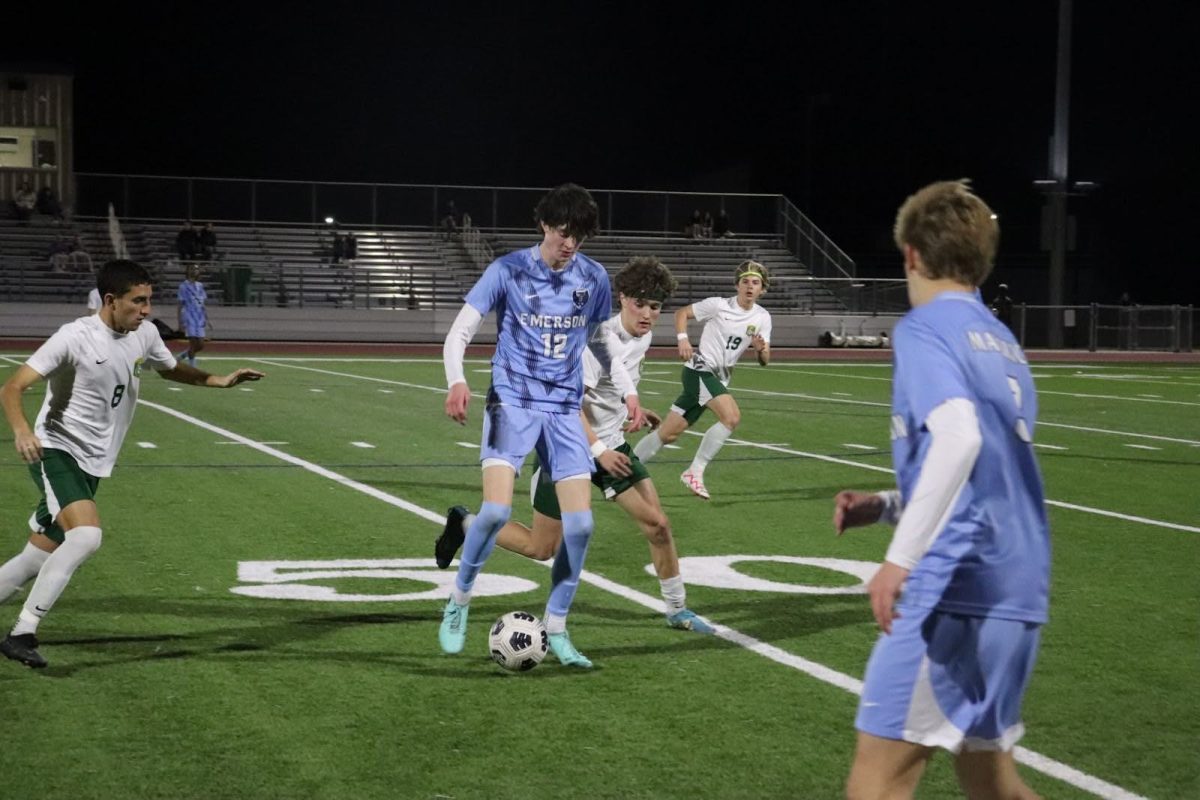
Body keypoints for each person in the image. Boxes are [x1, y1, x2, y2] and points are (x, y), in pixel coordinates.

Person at [833, 180, 1049, 800]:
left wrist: (897, 561)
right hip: (1018, 588)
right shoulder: (1001, 339)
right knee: (990, 779)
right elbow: (989, 476)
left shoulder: (925, 329)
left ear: (910, 255)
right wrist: (889, 507)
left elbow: (957, 438)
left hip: (957, 588)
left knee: (876, 780)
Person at [0, 259, 264, 669]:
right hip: (57, 450)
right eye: (137, 302)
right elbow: (12, 386)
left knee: (39, 554)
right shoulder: (74, 336)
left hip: (94, 461)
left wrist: (219, 380)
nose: (146, 310)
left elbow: (171, 368)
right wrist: (22, 431)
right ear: (110, 300)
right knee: (86, 537)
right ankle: (23, 632)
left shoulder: (143, 334)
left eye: (148, 301)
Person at [435, 257, 714, 635]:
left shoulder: (642, 336)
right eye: (640, 304)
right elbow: (568, 406)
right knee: (541, 548)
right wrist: (600, 449)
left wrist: (632, 409)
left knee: (658, 525)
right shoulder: (595, 343)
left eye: (656, 307)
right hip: (569, 447)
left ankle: (678, 610)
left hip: (612, 447)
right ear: (622, 298)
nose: (648, 313)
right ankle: (466, 524)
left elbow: (611, 389)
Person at [440, 182, 645, 669]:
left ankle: (558, 627)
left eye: (578, 235)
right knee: (493, 511)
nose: (569, 243)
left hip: (562, 411)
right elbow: (461, 330)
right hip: (512, 402)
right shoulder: (507, 269)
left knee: (581, 526)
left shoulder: (592, 278)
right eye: (561, 231)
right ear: (544, 226)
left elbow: (599, 341)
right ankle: (460, 599)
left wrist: (629, 390)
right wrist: (456, 380)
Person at [633, 260, 772, 500]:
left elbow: (765, 360)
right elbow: (682, 313)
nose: (750, 286)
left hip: (719, 377)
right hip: (699, 370)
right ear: (737, 285)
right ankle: (694, 472)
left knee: (667, 434)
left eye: (755, 283)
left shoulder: (762, 317)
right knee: (731, 417)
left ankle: (625, 469)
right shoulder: (718, 305)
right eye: (745, 281)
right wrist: (683, 339)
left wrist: (760, 349)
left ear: (762, 289)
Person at [177, 263, 208, 366]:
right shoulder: (183, 286)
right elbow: (180, 305)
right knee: (193, 343)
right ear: (188, 271)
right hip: (189, 317)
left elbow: (202, 303)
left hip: (199, 318)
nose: (195, 271)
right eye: (193, 269)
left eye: (197, 269)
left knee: (201, 345)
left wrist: (206, 318)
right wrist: (180, 322)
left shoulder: (200, 286)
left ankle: (182, 356)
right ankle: (192, 367)